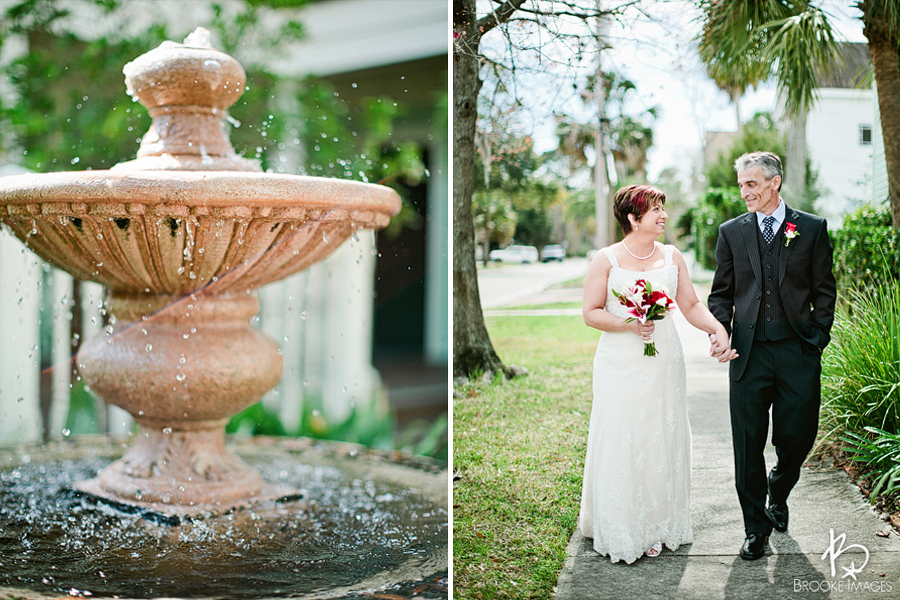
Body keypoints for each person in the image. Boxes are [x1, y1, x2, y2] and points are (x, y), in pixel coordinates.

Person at [579, 184, 734, 564]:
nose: (663, 215)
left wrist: (716, 329)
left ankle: (660, 523)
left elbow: (691, 304)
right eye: (655, 210)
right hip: (620, 362)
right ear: (633, 218)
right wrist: (628, 323)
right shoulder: (606, 259)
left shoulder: (672, 256)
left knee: (660, 435)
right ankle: (625, 524)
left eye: (663, 208)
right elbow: (591, 312)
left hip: (665, 359)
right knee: (624, 435)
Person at [708, 151, 836, 560]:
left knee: (797, 437)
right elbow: (720, 295)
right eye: (742, 184)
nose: (745, 191)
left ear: (774, 182)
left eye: (752, 184)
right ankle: (755, 529)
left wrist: (816, 338)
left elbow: (824, 290)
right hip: (747, 354)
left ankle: (778, 489)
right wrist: (721, 332)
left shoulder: (811, 228)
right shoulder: (731, 232)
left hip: (798, 351)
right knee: (747, 445)